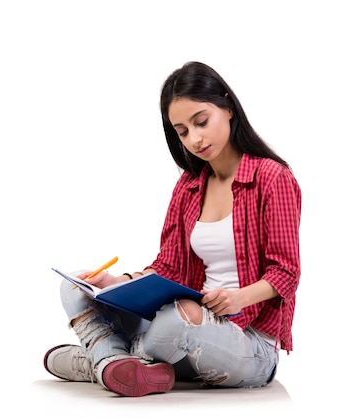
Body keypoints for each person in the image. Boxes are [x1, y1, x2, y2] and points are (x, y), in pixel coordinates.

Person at [43, 61, 302, 397]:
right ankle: (117, 365)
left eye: (201, 122)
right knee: (75, 286)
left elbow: (286, 272)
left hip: (246, 342)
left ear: (227, 106)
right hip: (181, 321)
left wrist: (238, 297)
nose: (194, 139)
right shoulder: (189, 185)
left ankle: (100, 359)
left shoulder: (273, 178)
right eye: (182, 131)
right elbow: (168, 266)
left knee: (177, 320)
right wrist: (119, 283)